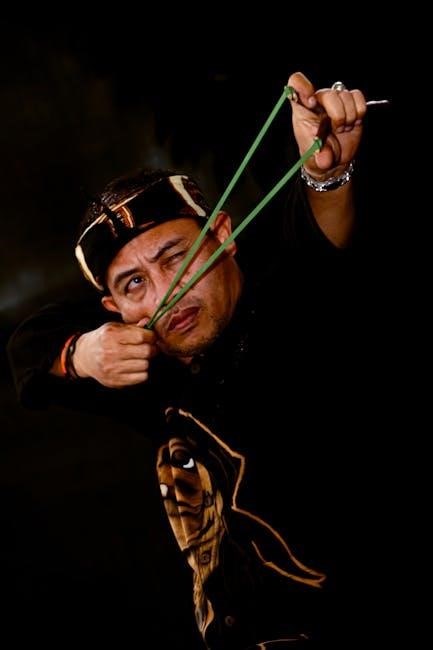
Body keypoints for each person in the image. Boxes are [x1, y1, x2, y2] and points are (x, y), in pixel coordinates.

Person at [8, 71, 370, 647]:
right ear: (114, 309)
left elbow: (316, 242)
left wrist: (328, 174)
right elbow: (27, 344)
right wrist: (83, 354)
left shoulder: (288, 296)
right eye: (134, 283)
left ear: (223, 234)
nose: (166, 294)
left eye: (175, 257)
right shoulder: (149, 361)